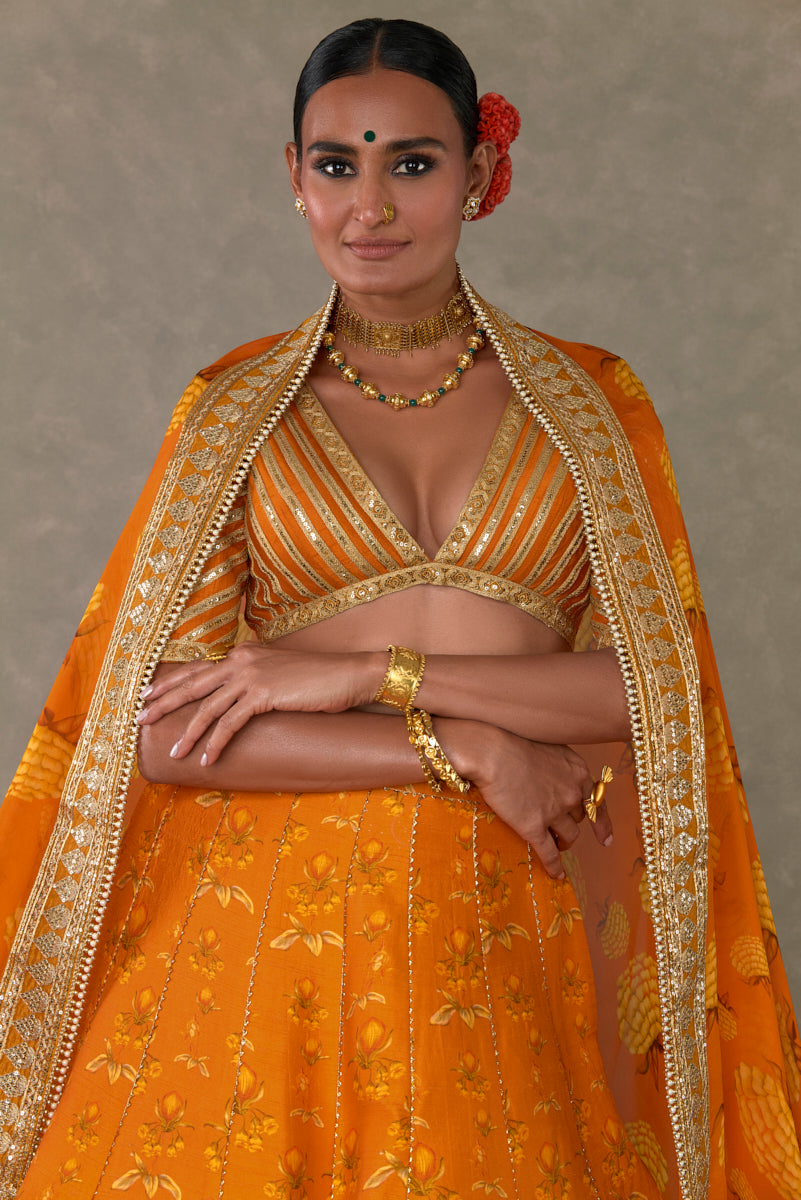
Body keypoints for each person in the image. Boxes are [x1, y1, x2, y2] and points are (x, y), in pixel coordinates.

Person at [0, 16, 798, 1200]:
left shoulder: (590, 404)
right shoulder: (234, 412)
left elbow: (653, 693)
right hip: (264, 949)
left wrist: (371, 674)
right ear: (295, 175)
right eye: (337, 165)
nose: (368, 206)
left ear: (480, 172)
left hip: (508, 934)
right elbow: (164, 732)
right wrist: (463, 744)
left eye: (411, 164)